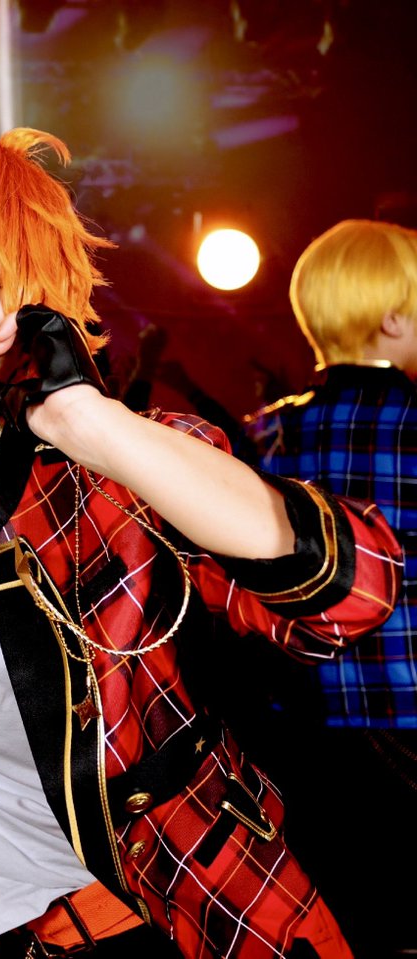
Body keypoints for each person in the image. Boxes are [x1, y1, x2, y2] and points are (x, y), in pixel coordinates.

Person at [0, 105, 403, 959]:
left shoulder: (113, 479)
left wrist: (94, 423)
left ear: (35, 314)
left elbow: (358, 593)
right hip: (12, 937)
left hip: (197, 920)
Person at [240, 218, 417, 958]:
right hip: (408, 722)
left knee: (341, 925)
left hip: (299, 729)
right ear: (394, 319)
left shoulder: (263, 432)